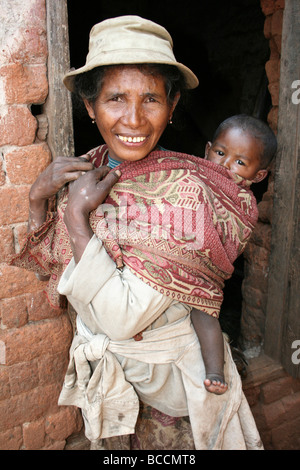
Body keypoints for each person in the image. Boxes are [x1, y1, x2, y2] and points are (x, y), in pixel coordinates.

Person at [10, 16, 267, 450]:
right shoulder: (89, 167)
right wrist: (38, 198)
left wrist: (75, 218)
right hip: (114, 389)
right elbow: (53, 266)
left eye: (151, 99)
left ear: (173, 105)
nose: (134, 119)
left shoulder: (186, 192)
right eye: (114, 98)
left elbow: (120, 318)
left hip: (169, 394)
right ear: (90, 107)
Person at [191, 114, 277, 394]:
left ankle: (215, 372)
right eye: (220, 153)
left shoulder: (243, 203)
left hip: (203, 277)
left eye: (240, 162)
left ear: (259, 175)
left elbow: (227, 238)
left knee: (205, 313)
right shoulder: (188, 176)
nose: (226, 165)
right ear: (207, 150)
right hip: (167, 267)